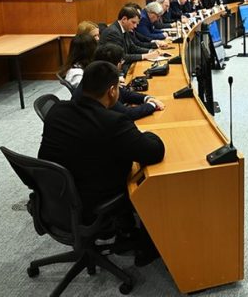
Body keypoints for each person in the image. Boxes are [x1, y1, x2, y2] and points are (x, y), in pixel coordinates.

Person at [38, 61, 165, 265]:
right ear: (112, 91)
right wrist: (147, 134)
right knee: (146, 182)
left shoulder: (57, 110)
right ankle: (147, 244)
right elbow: (154, 152)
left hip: (55, 197)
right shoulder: (113, 122)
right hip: (91, 203)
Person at [72, 44, 165, 121]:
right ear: (116, 64)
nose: (122, 63)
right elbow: (127, 114)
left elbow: (123, 93)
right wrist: (152, 105)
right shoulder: (99, 84)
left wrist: (147, 98)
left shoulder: (98, 74)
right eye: (121, 61)